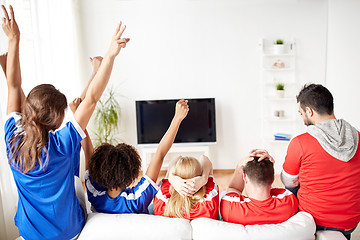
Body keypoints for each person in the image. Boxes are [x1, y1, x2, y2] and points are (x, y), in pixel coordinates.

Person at [2, 4, 129, 239]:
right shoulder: (62, 143)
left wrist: (13, 40)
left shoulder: (12, 138)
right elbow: (91, 100)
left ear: (28, 108)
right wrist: (111, 54)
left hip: (31, 234)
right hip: (68, 232)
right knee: (73, 173)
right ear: (58, 119)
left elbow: (13, 86)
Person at [281, 83, 360, 240]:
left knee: (291, 184)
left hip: (316, 220)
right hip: (350, 222)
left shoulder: (300, 142)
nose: (303, 117)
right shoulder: (358, 136)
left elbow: (289, 181)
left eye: (301, 113)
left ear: (309, 111)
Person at [84, 99, 189, 214]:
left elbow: (88, 152)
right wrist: (177, 118)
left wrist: (79, 121)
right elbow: (160, 154)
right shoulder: (137, 199)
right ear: (132, 172)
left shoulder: (93, 193)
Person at [220, 150, 298, 225]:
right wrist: (269, 167)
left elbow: (234, 188)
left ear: (245, 177)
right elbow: (269, 188)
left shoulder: (230, 207)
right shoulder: (289, 201)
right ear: (273, 179)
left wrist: (239, 166)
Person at [153, 155, 219, 220]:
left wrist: (171, 176)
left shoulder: (162, 202)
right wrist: (203, 178)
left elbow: (177, 158)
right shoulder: (209, 204)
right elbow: (204, 158)